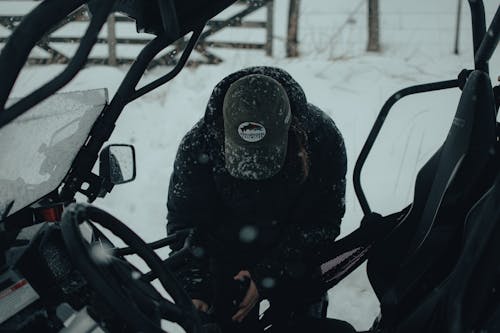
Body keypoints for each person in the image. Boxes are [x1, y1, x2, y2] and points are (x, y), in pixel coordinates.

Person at [166, 66, 348, 332]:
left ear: (291, 131)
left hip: (294, 254)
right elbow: (186, 223)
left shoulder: (322, 139)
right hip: (226, 255)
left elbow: (324, 221)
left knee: (302, 322)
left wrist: (268, 274)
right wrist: (195, 287)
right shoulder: (199, 144)